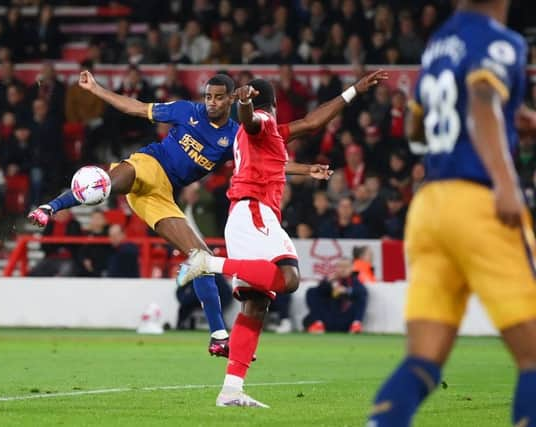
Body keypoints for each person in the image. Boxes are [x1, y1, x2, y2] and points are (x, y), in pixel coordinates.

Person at [367, 1, 536, 426]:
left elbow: (416, 127)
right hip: (477, 203)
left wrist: (511, 118)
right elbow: (481, 100)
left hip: (429, 207)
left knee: (422, 361)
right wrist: (507, 181)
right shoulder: (502, 40)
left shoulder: (439, 43)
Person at [177, 69, 387, 407]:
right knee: (289, 279)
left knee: (257, 304)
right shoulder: (262, 119)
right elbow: (252, 121)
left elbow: (309, 124)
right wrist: (244, 104)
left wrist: (308, 168)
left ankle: (231, 389)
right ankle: (208, 262)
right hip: (254, 212)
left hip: (249, 215)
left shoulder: (270, 136)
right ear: (272, 105)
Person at [28, 71, 240, 358]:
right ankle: (49, 207)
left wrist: (305, 169)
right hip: (147, 165)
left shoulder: (235, 136)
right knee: (103, 185)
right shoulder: (187, 111)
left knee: (202, 259)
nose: (211, 103)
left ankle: (218, 337)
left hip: (160, 196)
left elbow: (263, 160)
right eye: (208, 96)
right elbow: (135, 107)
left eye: (218, 98)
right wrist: (96, 89)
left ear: (231, 99)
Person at [303, 257, 367, 334]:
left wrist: (346, 291)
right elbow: (318, 291)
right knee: (311, 291)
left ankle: (356, 324)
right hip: (329, 318)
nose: (343, 269)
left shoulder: (355, 281)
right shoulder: (331, 280)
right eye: (340, 266)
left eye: (346, 266)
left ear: (352, 268)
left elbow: (361, 291)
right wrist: (327, 281)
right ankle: (318, 323)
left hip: (347, 320)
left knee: (361, 295)